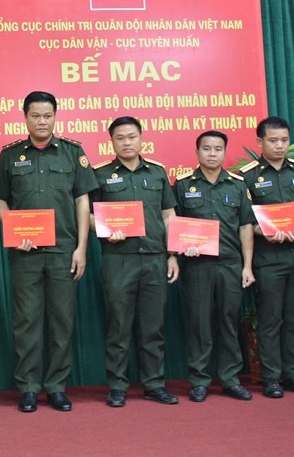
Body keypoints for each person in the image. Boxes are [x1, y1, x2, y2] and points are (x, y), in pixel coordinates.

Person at [0, 91, 97, 413]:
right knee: (26, 322)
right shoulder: (10, 155)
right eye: (35, 115)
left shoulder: (72, 153)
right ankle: (28, 387)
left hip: (64, 250)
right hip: (25, 253)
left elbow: (82, 201)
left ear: (55, 116)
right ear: (25, 117)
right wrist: (11, 230)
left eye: (47, 115)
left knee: (62, 322)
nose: (41, 121)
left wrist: (81, 248)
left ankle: (56, 387)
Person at [90, 116, 179, 407]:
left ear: (142, 139)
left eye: (131, 137)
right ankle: (117, 386)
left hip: (155, 258)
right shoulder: (100, 174)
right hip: (118, 259)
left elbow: (168, 215)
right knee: (119, 325)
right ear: (111, 141)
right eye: (120, 138)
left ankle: (154, 383)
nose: (126, 142)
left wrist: (173, 254)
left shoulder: (157, 173)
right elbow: (86, 216)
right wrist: (104, 230)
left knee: (153, 326)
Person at [239, 116, 294, 398]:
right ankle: (271, 378)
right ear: (260, 142)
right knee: (269, 319)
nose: (280, 146)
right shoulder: (248, 176)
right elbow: (244, 223)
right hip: (268, 259)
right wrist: (265, 231)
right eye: (273, 140)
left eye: (284, 140)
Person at [173, 130, 255, 402]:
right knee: (199, 323)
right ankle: (199, 380)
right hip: (197, 265)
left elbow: (245, 227)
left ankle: (231, 379)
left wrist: (247, 266)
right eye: (206, 149)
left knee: (228, 321)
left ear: (224, 152)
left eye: (217, 149)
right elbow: (175, 226)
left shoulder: (237, 185)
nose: (212, 153)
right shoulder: (183, 184)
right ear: (197, 153)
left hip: (231, 264)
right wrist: (182, 247)